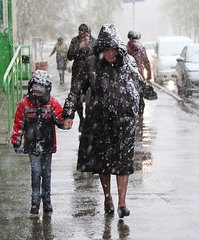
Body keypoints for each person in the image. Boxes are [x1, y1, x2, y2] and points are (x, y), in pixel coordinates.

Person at [63, 24, 144, 218]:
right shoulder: (90, 64)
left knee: (123, 163)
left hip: (123, 122)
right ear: (100, 48)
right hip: (99, 121)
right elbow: (76, 90)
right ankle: (108, 198)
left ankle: (122, 203)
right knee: (104, 163)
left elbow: (139, 83)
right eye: (107, 49)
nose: (111, 53)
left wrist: (137, 103)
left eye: (113, 49)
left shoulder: (127, 62)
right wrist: (68, 113)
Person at [11, 70, 68, 215]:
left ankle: (47, 202)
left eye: (41, 90)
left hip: (47, 145)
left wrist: (67, 116)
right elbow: (19, 124)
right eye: (35, 90)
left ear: (47, 90)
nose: (37, 94)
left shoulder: (52, 104)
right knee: (36, 172)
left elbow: (61, 120)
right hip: (31, 146)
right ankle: (35, 203)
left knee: (46, 173)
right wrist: (16, 142)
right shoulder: (24, 104)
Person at [67, 23, 96, 132]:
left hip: (91, 74)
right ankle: (81, 118)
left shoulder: (94, 41)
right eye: (80, 31)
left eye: (84, 31)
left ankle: (88, 119)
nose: (82, 33)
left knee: (90, 99)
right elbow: (69, 56)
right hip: (78, 73)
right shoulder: (75, 40)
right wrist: (79, 47)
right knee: (78, 99)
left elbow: (98, 55)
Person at [127, 30, 152, 116]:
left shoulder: (125, 48)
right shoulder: (141, 48)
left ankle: (132, 115)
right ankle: (140, 115)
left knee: (129, 96)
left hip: (129, 77)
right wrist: (148, 76)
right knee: (140, 97)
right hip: (140, 76)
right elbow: (147, 63)